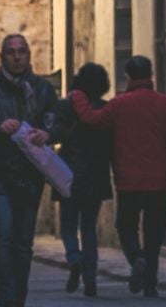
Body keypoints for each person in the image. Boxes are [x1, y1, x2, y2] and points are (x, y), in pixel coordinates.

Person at [69, 54, 166, 298]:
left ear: (127, 76)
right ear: (151, 75)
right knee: (154, 234)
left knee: (126, 227)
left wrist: (78, 97)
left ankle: (137, 258)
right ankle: (150, 284)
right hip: (159, 182)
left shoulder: (118, 104)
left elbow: (92, 120)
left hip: (128, 181)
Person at [0, 34, 61, 307]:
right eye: (11, 52)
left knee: (23, 243)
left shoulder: (42, 89)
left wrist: (46, 133)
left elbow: (56, 122)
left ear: (29, 55)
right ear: (2, 56)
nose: (17, 57)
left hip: (30, 176)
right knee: (3, 237)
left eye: (22, 52)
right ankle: (7, 301)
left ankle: (19, 300)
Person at [58, 62, 114, 296]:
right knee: (88, 227)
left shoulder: (66, 106)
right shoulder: (106, 108)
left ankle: (74, 259)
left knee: (68, 225)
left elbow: (56, 133)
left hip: (68, 173)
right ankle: (90, 278)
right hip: (95, 175)